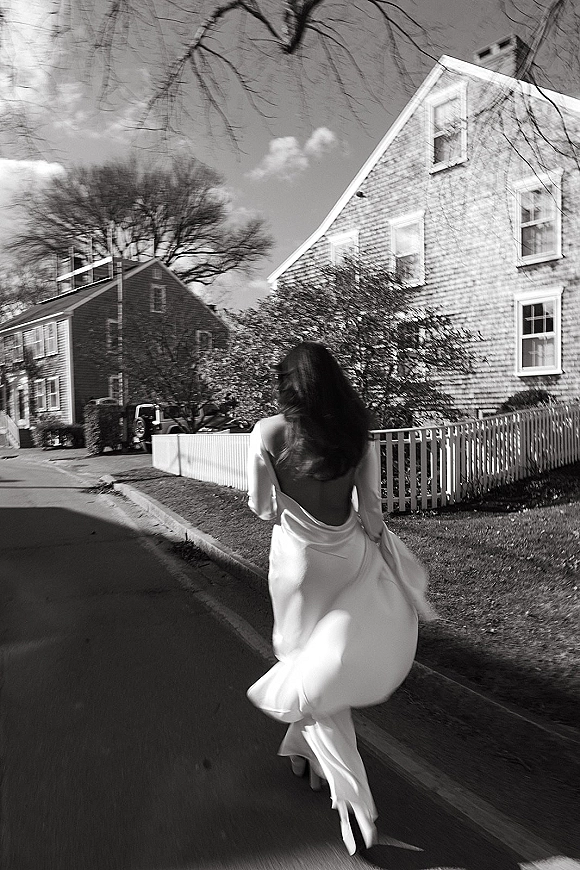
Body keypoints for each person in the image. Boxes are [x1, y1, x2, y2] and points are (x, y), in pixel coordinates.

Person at [246, 341, 436, 854]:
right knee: (322, 666)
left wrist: (283, 495)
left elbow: (261, 509)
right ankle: (300, 752)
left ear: (289, 388)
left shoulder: (269, 432)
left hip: (298, 566)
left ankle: (353, 797)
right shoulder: (356, 434)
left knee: (304, 668)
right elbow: (371, 512)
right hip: (349, 557)